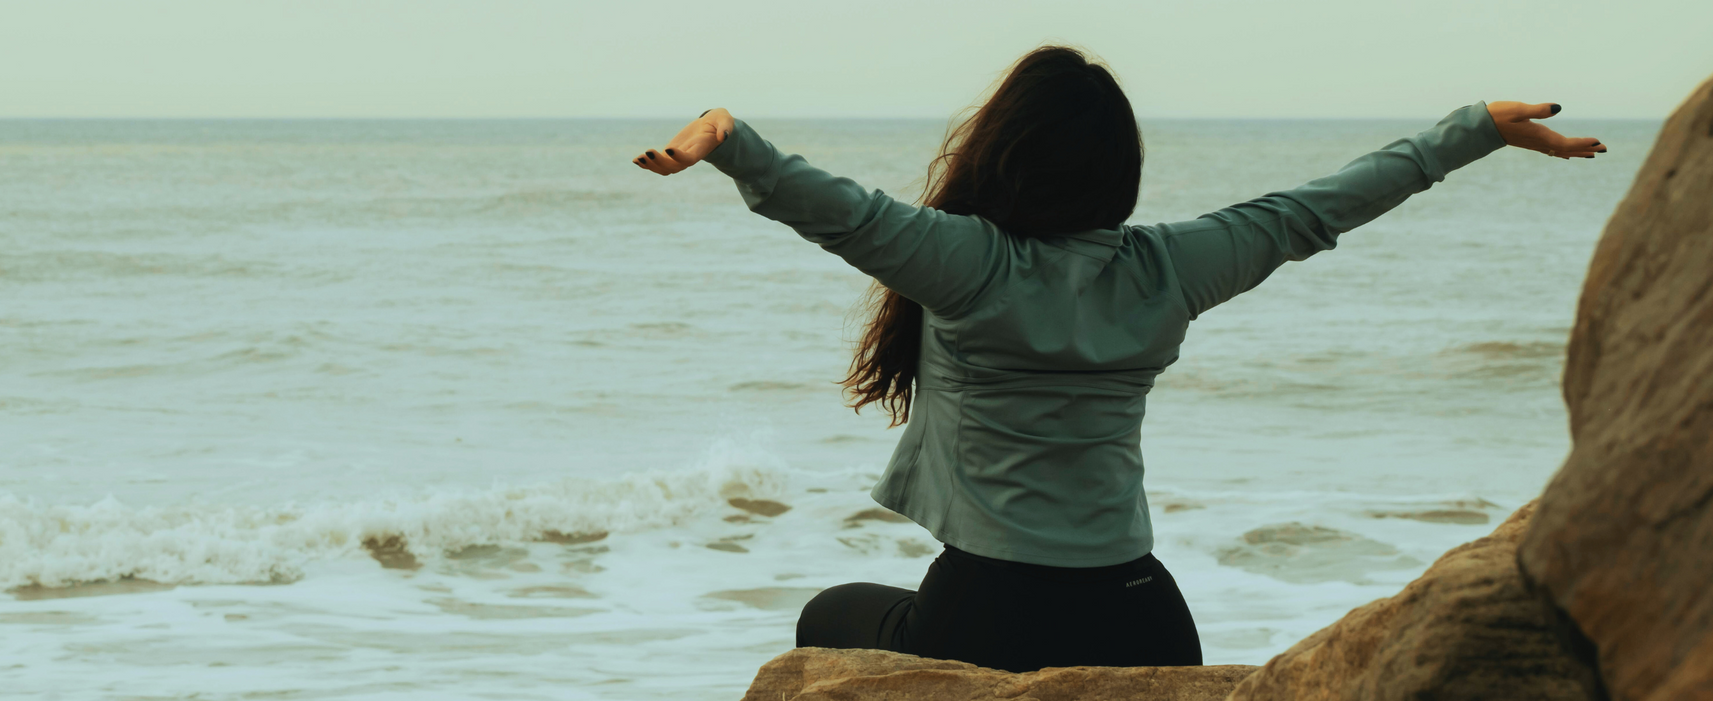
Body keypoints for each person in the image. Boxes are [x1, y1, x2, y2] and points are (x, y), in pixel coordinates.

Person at [629, 45, 1604, 672]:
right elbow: (1317, 207)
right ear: (1118, 169)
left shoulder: (964, 261)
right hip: (1142, 616)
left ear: (1002, 151)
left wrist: (729, 139)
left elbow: (833, 206)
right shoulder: (1169, 267)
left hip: (989, 617)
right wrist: (1469, 130)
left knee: (821, 617)